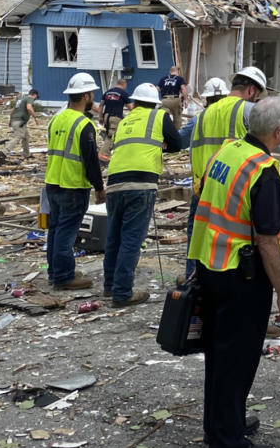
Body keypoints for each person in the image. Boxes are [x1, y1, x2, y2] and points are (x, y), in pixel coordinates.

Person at [188, 97, 280, 448]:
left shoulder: (228, 151)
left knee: (218, 354)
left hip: (210, 264)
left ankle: (221, 422)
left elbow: (202, 199)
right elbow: (267, 240)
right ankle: (228, 445)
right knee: (237, 359)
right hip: (241, 276)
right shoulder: (264, 171)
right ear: (278, 133)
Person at [103, 82, 181, 307]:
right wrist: (163, 144)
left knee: (114, 238)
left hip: (115, 183)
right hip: (141, 184)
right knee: (131, 240)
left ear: (134, 102)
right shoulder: (159, 117)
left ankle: (110, 286)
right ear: (155, 103)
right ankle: (122, 293)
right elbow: (176, 143)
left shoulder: (126, 120)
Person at [186, 67, 268, 278]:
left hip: (202, 190)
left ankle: (194, 296)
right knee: (234, 251)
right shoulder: (248, 110)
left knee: (198, 247)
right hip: (232, 193)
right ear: (251, 90)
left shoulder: (203, 115)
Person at [44, 72, 105, 290]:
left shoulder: (56, 119)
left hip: (53, 183)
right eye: (92, 95)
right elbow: (90, 161)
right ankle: (63, 277)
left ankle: (55, 271)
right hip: (73, 185)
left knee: (55, 230)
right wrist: (99, 187)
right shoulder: (83, 124)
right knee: (66, 234)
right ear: (86, 95)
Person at [180, 76, 229, 150]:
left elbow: (180, 141)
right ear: (226, 96)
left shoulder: (198, 119)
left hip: (204, 161)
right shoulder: (236, 116)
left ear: (207, 99)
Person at [8, 87, 38, 156]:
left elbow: (13, 110)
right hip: (19, 121)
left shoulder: (20, 100)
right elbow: (29, 108)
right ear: (34, 95)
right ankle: (5, 151)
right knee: (18, 136)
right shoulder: (29, 98)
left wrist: (10, 121)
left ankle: (26, 153)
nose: (35, 98)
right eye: (36, 97)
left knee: (26, 136)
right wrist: (35, 118)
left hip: (16, 121)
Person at [99, 78, 129, 149]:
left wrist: (100, 117)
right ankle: (106, 154)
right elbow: (130, 107)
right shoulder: (123, 93)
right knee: (112, 137)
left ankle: (107, 150)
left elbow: (101, 105)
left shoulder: (107, 92)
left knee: (107, 134)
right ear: (124, 84)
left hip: (106, 117)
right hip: (115, 117)